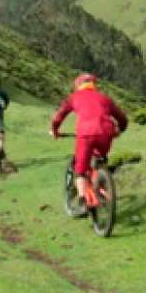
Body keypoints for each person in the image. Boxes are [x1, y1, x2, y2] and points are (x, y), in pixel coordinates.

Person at [49, 73, 128, 205]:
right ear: (93, 85)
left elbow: (59, 116)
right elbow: (123, 119)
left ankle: (82, 199)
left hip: (85, 133)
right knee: (100, 160)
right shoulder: (105, 99)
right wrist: (120, 130)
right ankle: (101, 184)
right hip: (106, 132)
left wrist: (55, 130)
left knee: (80, 168)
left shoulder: (74, 97)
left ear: (78, 85)